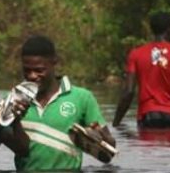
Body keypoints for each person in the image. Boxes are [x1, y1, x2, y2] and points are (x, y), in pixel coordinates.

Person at [15, 35, 116, 171]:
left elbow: (109, 152)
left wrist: (98, 138)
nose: (32, 76)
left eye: (39, 70)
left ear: (54, 62)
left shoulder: (82, 98)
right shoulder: (14, 101)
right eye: (27, 70)